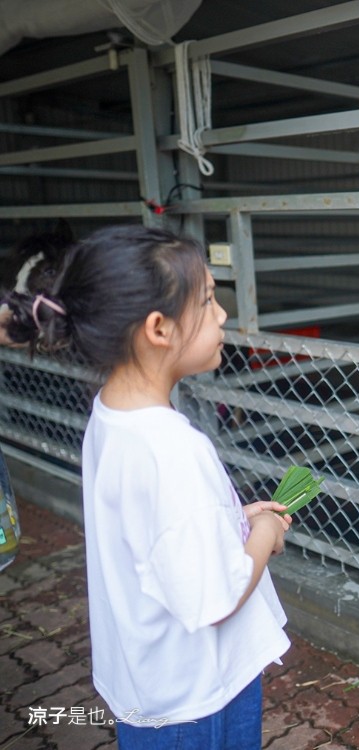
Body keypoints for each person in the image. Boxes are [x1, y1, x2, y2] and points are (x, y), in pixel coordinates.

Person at [4, 224, 292, 749]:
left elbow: (157, 535)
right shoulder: (173, 449)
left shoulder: (112, 416)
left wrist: (229, 521)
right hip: (199, 698)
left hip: (147, 683)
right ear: (159, 328)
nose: (223, 314)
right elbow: (217, 595)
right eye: (207, 301)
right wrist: (266, 533)